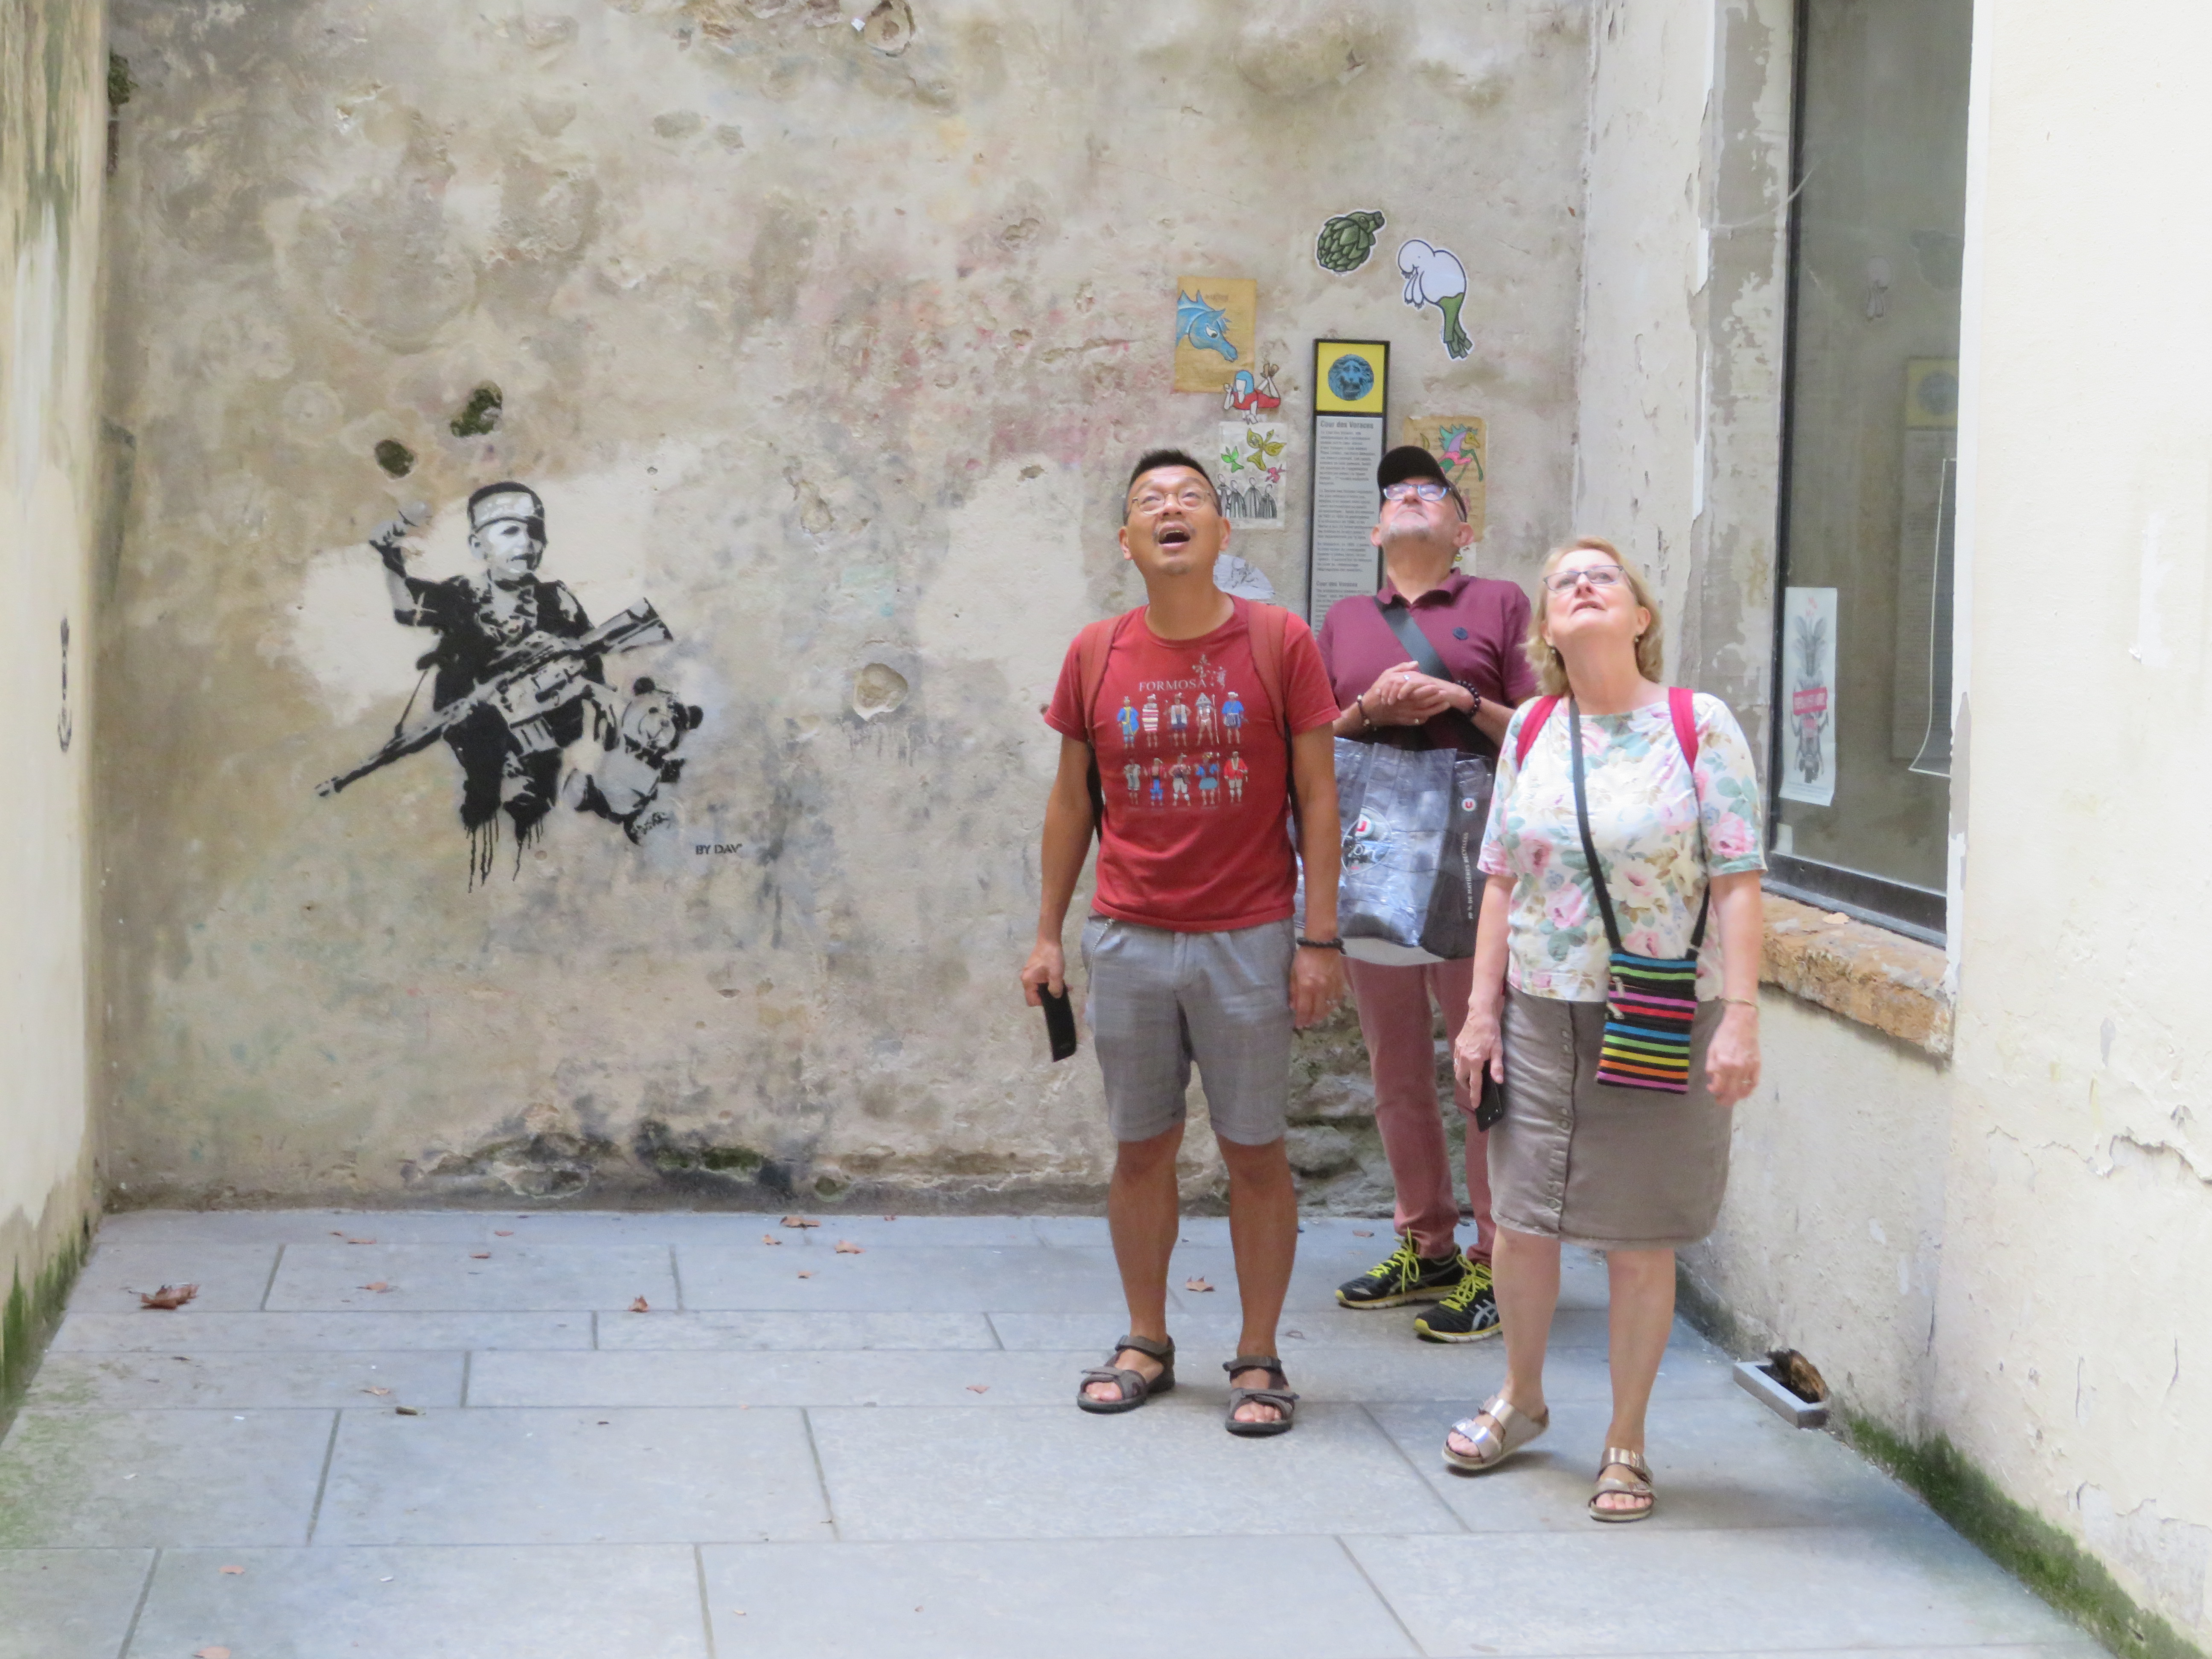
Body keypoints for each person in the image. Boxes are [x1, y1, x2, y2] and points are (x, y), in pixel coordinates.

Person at [1022, 448, 1346, 1436]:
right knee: (1140, 1149)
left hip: (1249, 937)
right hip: (1128, 937)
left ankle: (1258, 1354)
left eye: (1190, 497)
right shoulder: (1095, 653)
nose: (1171, 508)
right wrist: (1047, 933)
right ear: (1126, 541)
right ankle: (1146, 1339)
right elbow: (1071, 801)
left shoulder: (1278, 641)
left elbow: (1318, 796)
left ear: (1220, 531)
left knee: (1255, 1151)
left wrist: (1318, 938)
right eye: (1150, 502)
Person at [1443, 536, 1765, 1521]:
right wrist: (1480, 1012)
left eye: (1604, 576)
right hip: (1539, 1014)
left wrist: (1741, 1017)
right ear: (1546, 626)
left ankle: (1625, 1440)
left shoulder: (1695, 724)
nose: (1583, 585)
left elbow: (1736, 876)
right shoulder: (1534, 728)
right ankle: (1522, 1397)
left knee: (1638, 1237)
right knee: (1521, 1222)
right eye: (1563, 582)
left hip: (1658, 1011)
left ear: (1640, 616)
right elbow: (1500, 876)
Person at [1316, 445, 1537, 1342]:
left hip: (1475, 856)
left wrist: (1457, 698)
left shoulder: (1500, 604)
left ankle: (1495, 1259)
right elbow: (1317, 741)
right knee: (1395, 1063)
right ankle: (1426, 1242)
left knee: (1479, 1057)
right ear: (1375, 531)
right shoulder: (1342, 620)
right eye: (1395, 494)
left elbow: (1539, 732)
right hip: (1374, 855)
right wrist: (1370, 710)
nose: (1410, 498)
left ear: (1461, 530)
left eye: (1430, 491)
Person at [371, 482, 603, 878]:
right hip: (483, 741)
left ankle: (526, 878)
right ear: (478, 547)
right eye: (511, 530)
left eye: (535, 531)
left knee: (538, 815)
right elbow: (407, 606)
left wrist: (578, 685)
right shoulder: (463, 596)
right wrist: (389, 553)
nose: (527, 542)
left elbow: (592, 661)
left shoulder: (557, 600)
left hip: (547, 736)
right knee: (482, 813)